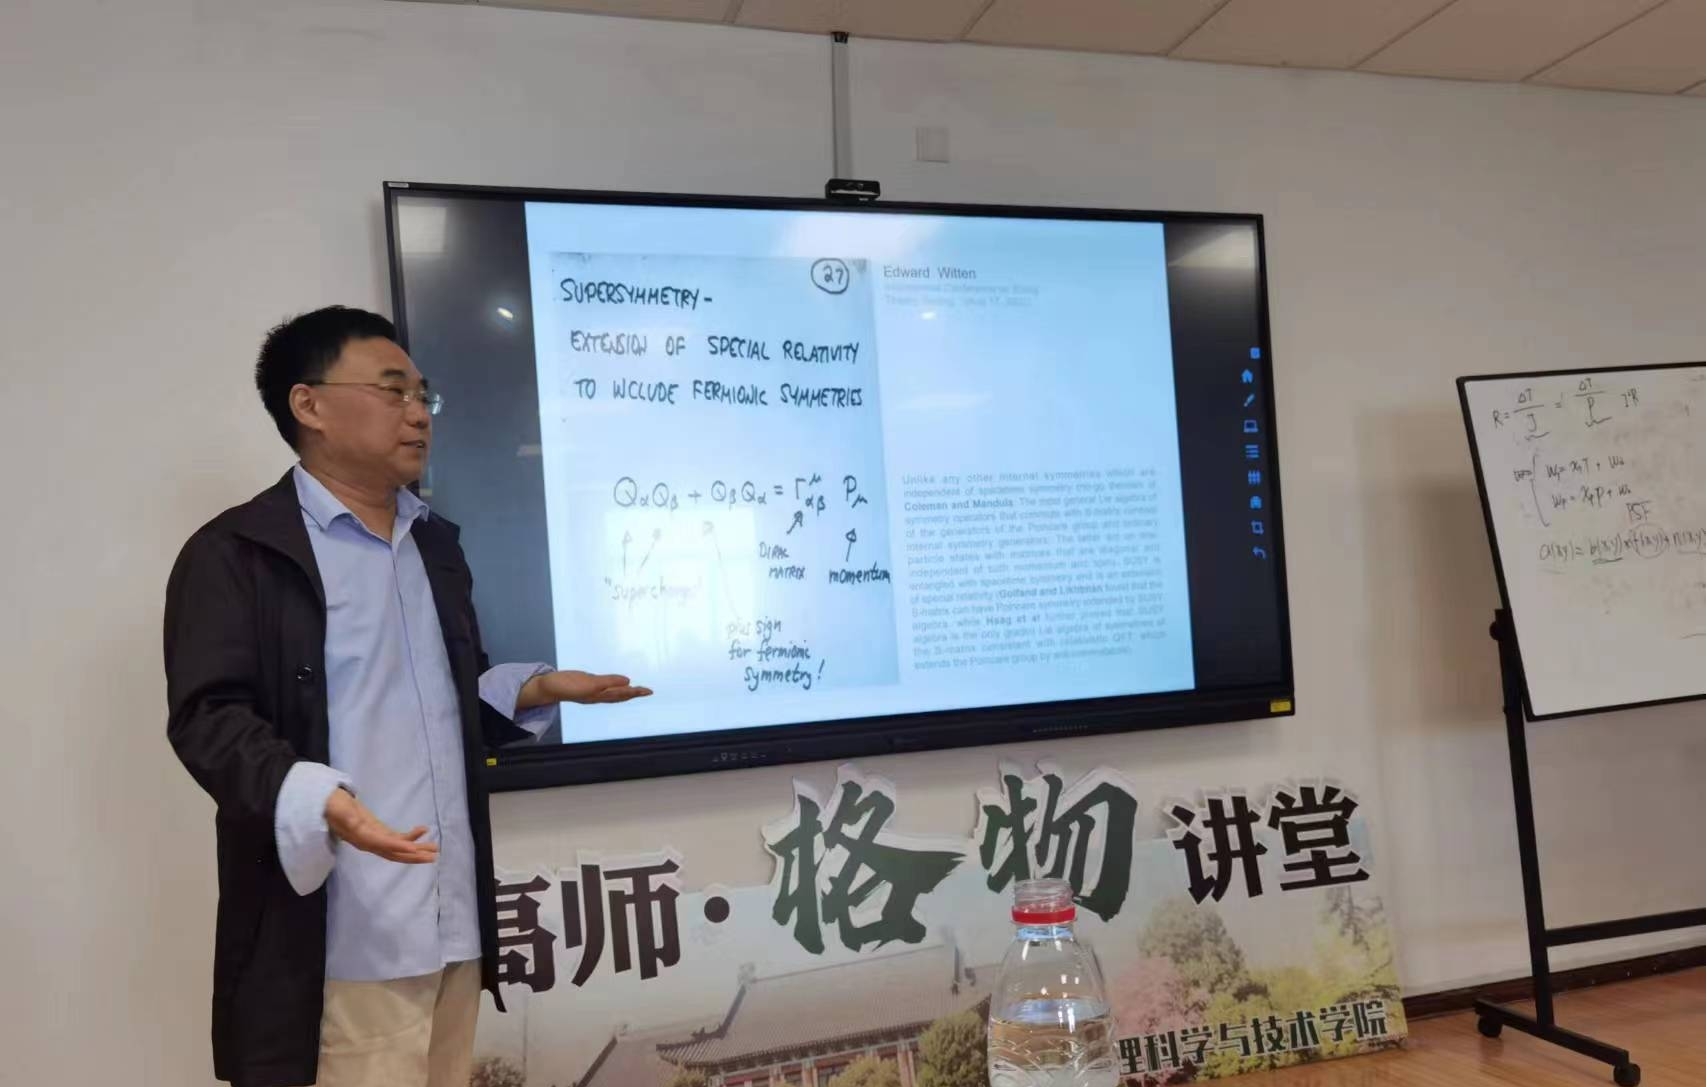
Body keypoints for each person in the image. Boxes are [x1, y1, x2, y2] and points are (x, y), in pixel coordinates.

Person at [163, 306, 651, 1087]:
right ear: (309, 404)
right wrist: (322, 798)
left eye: (425, 395)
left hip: (452, 922)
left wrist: (533, 687)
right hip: (343, 936)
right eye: (393, 391)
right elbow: (209, 718)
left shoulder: (434, 543)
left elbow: (437, 698)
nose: (419, 413)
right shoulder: (238, 553)